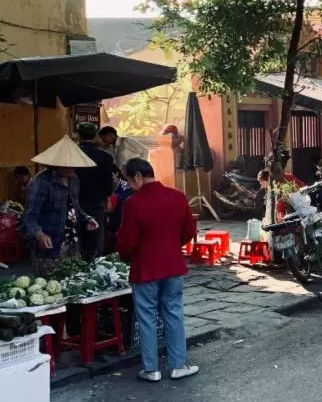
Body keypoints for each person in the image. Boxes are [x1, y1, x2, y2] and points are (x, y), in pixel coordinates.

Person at [115, 158, 199, 383]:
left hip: (145, 268)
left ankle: (151, 369)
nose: (130, 186)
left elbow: (127, 242)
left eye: (129, 181)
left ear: (139, 177)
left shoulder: (133, 204)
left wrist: (125, 257)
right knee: (174, 313)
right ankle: (178, 365)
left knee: (147, 317)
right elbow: (189, 231)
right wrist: (172, 244)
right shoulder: (178, 197)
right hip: (173, 265)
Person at [21, 137, 99, 276]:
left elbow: (74, 206)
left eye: (74, 165)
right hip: (49, 246)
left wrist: (86, 218)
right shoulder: (40, 183)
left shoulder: (74, 180)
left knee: (74, 282)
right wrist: (40, 235)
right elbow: (29, 217)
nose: (72, 168)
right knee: (50, 285)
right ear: (56, 164)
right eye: (67, 165)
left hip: (72, 243)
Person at [75, 123, 115, 260]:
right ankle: (95, 264)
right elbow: (108, 182)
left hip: (76, 201)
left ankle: (78, 262)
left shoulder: (72, 155)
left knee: (78, 233)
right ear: (95, 135)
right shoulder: (106, 157)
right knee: (97, 232)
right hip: (98, 200)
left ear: (78, 135)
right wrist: (108, 198)